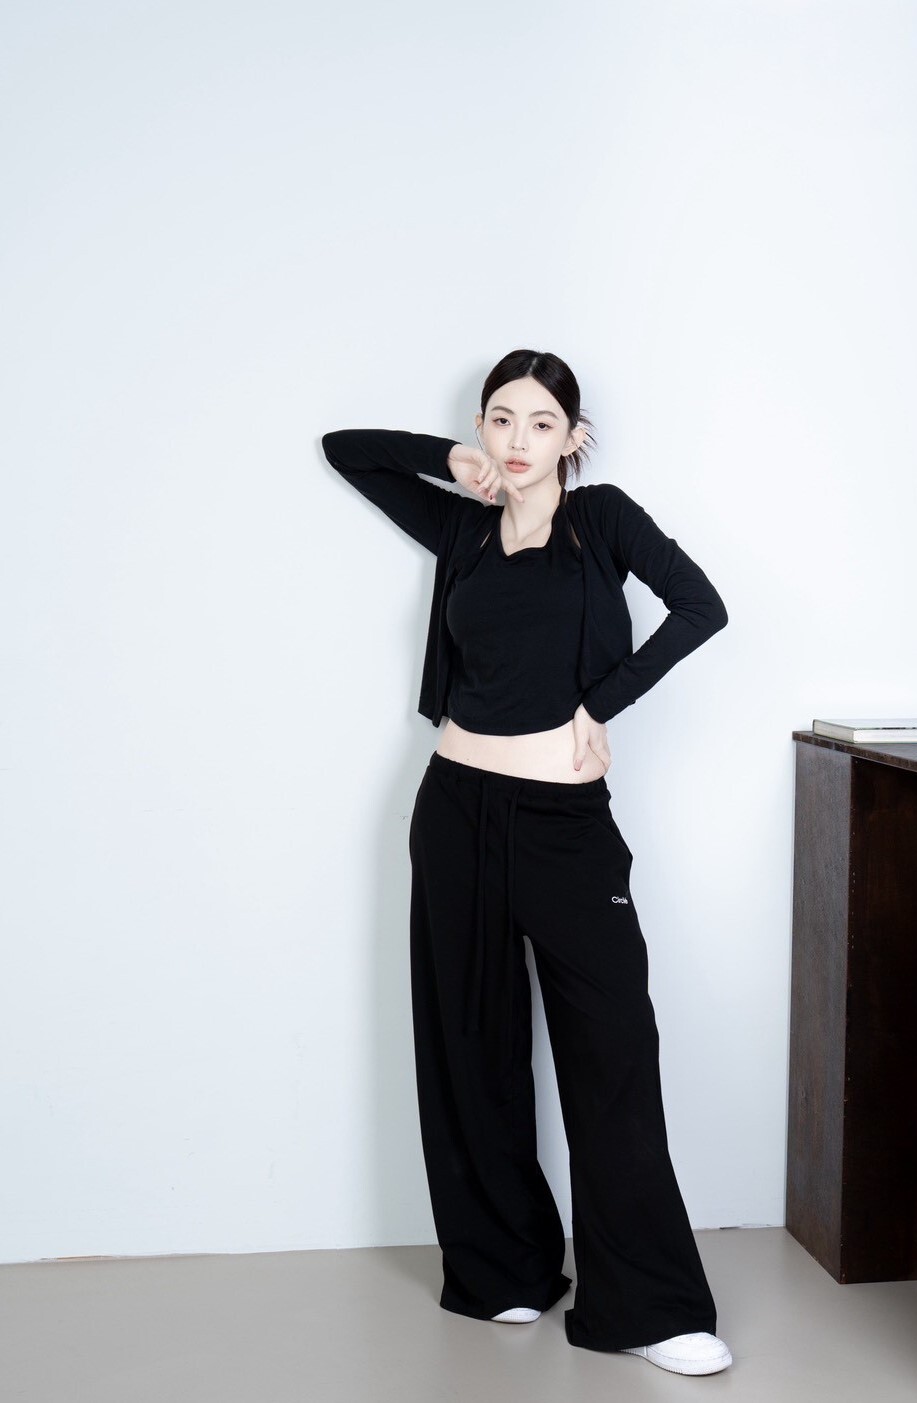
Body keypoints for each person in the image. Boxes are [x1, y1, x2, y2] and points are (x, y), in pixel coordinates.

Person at [320, 348, 732, 1377]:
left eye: (540, 422)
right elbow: (347, 450)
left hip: (563, 822)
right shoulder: (462, 526)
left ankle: (645, 1304)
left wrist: (602, 702)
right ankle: (502, 1266)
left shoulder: (603, 521)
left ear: (572, 438)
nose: (516, 439)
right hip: (454, 811)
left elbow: (701, 605)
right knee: (471, 1040)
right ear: (481, 427)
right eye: (500, 418)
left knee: (611, 1049)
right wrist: (448, 459)